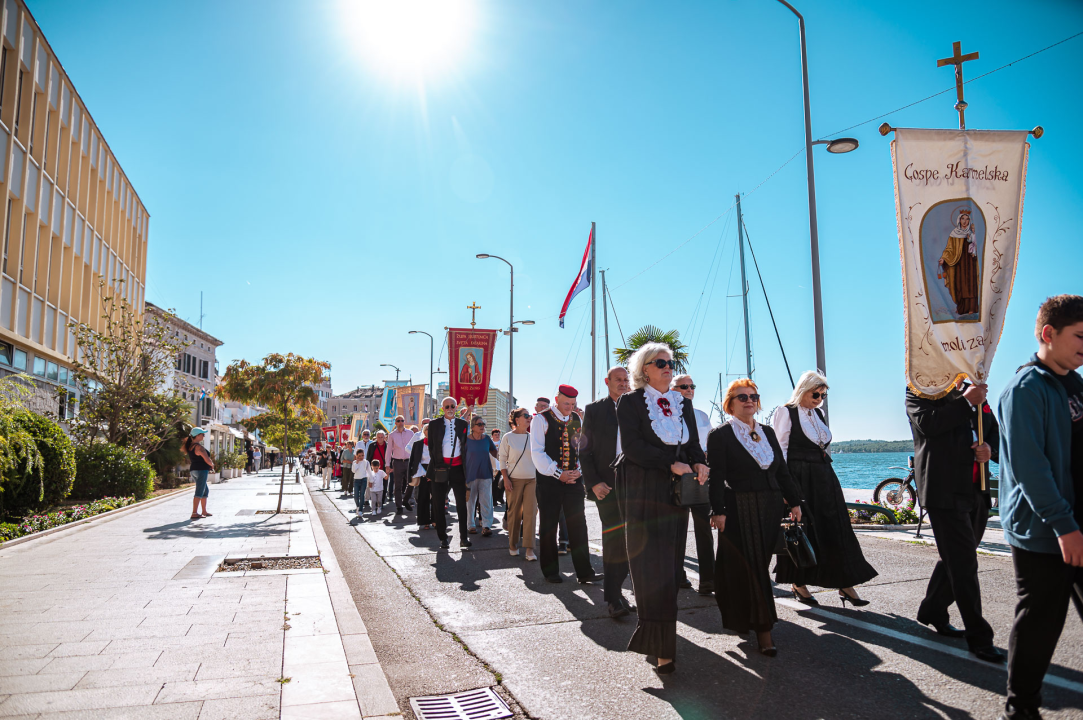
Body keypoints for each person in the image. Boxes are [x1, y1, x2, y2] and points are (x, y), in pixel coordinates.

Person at [998, 294, 1083, 720]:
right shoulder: (1025, 390)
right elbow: (1031, 469)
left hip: (1075, 523)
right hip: (1046, 530)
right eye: (1080, 336)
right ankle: (1020, 709)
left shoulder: (1074, 384)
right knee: (1040, 624)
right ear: (1049, 333)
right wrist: (1064, 525)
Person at [615, 345, 707, 674]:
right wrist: (671, 463)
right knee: (649, 566)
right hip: (643, 488)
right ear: (645, 369)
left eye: (670, 363)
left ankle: (661, 641)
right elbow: (633, 447)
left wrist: (699, 462)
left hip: (676, 492)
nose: (668, 367)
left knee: (670, 567)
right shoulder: (630, 402)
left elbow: (693, 444)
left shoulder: (684, 403)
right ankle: (659, 643)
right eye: (660, 363)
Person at [907, 374, 1004, 664]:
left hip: (976, 489)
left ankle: (933, 609)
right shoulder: (920, 390)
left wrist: (991, 450)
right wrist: (966, 402)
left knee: (957, 557)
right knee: (964, 563)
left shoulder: (976, 393)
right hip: (944, 491)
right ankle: (979, 637)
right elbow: (928, 425)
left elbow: (995, 436)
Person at [709, 378, 802, 657]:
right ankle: (764, 629)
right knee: (750, 566)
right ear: (730, 404)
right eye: (742, 397)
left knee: (758, 563)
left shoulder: (768, 432)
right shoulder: (720, 435)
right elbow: (716, 477)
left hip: (770, 505)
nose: (749, 401)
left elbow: (782, 471)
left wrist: (795, 502)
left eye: (753, 397)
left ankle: (748, 618)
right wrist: (718, 510)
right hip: (739, 506)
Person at [772, 370, 877, 606]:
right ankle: (798, 583)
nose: (819, 399)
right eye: (816, 394)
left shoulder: (818, 413)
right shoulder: (785, 412)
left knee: (835, 528)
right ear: (803, 390)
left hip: (824, 477)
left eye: (823, 395)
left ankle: (844, 582)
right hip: (799, 478)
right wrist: (786, 489)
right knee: (803, 530)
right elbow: (780, 451)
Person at [531, 384, 595, 584]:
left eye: (573, 404)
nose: (570, 407)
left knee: (578, 525)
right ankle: (550, 571)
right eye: (566, 403)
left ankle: (585, 572)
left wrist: (579, 471)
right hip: (549, 481)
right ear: (557, 399)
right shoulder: (541, 419)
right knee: (549, 525)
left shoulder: (576, 418)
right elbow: (537, 453)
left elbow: (581, 448)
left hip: (573, 480)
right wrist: (559, 473)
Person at [581, 366, 633, 617]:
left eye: (626, 380)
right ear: (607, 381)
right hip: (606, 486)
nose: (623, 383)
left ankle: (620, 593)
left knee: (633, 542)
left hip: (636, 485)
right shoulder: (594, 410)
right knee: (614, 541)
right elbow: (584, 450)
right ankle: (613, 599)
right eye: (618, 379)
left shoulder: (637, 407)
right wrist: (593, 482)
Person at [671, 373, 717, 596]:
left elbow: (707, 445)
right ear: (673, 390)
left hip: (700, 476)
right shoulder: (666, 413)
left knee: (704, 529)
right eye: (683, 386)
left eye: (692, 386)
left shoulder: (702, 416)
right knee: (676, 530)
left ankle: (708, 580)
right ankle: (678, 575)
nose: (689, 389)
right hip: (676, 476)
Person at [427, 397, 470, 549]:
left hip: (458, 469)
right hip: (440, 468)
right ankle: (443, 537)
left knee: (461, 504)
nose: (450, 409)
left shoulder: (463, 424)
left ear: (456, 407)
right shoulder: (434, 424)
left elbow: (464, 445)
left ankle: (464, 537)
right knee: (438, 504)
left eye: (452, 406)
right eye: (447, 407)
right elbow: (431, 447)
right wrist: (436, 465)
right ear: (442, 408)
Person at [501, 407, 538, 561]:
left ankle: (529, 549)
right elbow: (502, 459)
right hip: (514, 480)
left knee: (530, 513)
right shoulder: (508, 437)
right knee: (514, 513)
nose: (529, 418)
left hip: (532, 479)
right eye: (526, 415)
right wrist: (506, 479)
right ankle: (513, 544)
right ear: (517, 420)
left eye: (530, 416)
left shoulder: (534, 437)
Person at [465, 417, 498, 537]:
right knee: (470, 502)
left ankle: (486, 526)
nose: (482, 426)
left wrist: (505, 461)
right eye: (479, 424)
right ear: (472, 427)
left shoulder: (487, 439)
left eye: (483, 424)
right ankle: (470, 525)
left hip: (485, 474)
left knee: (486, 501)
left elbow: (494, 452)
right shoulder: (466, 440)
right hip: (470, 475)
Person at [184, 427, 215, 520]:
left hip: (194, 470)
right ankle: (194, 513)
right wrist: (212, 465)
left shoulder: (191, 446)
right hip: (201, 470)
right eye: (202, 434)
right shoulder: (199, 447)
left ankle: (204, 511)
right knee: (199, 491)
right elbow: (207, 459)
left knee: (205, 490)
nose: (203, 436)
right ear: (197, 435)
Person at [389, 416, 416, 515]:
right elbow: (389, 451)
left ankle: (406, 500)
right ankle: (399, 507)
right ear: (395, 423)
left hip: (409, 461)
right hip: (397, 462)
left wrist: (416, 461)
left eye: (402, 420)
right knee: (398, 485)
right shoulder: (392, 435)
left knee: (411, 483)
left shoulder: (410, 433)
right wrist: (387, 465)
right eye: (398, 421)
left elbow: (414, 447)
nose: (400, 422)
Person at [411, 420, 433, 529]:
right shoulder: (418, 444)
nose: (429, 431)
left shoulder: (437, 443)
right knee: (423, 498)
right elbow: (414, 460)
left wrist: (431, 473)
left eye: (431, 429)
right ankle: (425, 521)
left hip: (434, 472)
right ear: (424, 432)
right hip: (422, 472)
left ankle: (435, 520)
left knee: (436, 498)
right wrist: (423, 473)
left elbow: (439, 459)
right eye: (427, 429)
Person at [367, 431, 390, 506]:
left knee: (384, 486)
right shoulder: (372, 445)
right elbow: (368, 457)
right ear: (376, 437)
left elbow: (391, 456)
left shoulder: (388, 445)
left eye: (381, 437)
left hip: (384, 469)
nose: (380, 439)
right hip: (373, 470)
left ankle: (381, 503)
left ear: (384, 437)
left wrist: (390, 467)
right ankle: (374, 502)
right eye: (378, 437)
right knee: (373, 486)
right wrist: (368, 468)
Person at [351, 451, 370, 519]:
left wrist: (370, 480)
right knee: (356, 495)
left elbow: (369, 471)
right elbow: (353, 471)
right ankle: (358, 506)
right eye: (359, 456)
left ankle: (360, 510)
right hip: (356, 480)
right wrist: (357, 462)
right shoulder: (354, 462)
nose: (361, 457)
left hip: (364, 479)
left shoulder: (366, 462)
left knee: (362, 495)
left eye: (362, 455)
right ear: (356, 456)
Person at [490, 428, 504, 508]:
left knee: (502, 483)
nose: (497, 436)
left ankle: (500, 497)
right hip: (493, 466)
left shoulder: (502, 443)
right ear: (492, 436)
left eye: (498, 434)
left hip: (501, 466)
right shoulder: (490, 443)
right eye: (495, 435)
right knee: (494, 484)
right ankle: (494, 499)